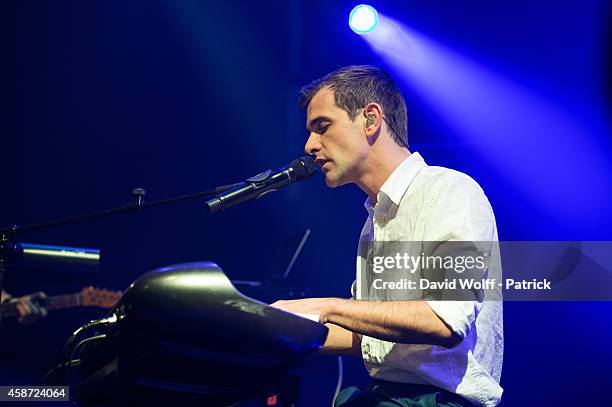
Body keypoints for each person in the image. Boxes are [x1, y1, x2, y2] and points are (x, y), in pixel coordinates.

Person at [271, 65, 503, 407]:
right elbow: (371, 337)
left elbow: (445, 320)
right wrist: (275, 327)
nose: (309, 146)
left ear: (370, 119)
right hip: (387, 396)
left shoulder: (450, 192)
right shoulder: (374, 221)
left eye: (322, 127)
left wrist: (328, 307)